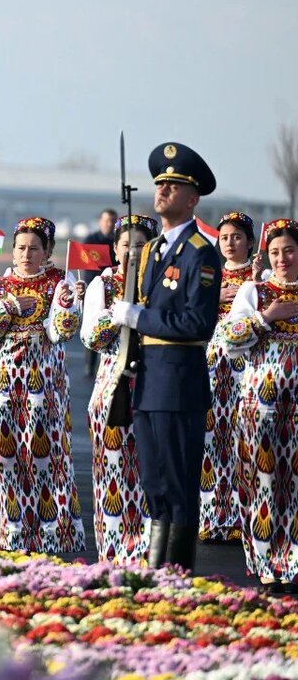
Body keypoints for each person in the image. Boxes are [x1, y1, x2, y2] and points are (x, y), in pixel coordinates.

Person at [110, 142, 222, 572]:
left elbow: (197, 323)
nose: (162, 191)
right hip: (147, 381)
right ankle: (157, 575)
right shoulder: (153, 251)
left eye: (173, 185)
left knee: (177, 484)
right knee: (154, 483)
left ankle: (178, 575)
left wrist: (140, 317)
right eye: (160, 184)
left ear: (192, 199)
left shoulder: (200, 253)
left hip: (178, 384)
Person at [0, 216, 86, 553]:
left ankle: (52, 532)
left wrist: (66, 305)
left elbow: (61, 333)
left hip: (45, 383)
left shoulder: (59, 282)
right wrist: (7, 309)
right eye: (21, 248)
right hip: (5, 383)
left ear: (48, 250)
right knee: (6, 458)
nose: (26, 254)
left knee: (46, 457)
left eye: (34, 248)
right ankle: (9, 532)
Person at [221, 219, 298, 593]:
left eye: (289, 250)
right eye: (275, 252)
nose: (282, 259)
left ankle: (294, 563)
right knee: (264, 483)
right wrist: (266, 318)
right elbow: (229, 338)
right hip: (261, 406)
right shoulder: (255, 291)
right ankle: (269, 566)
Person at [81, 214, 158, 563]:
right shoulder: (103, 286)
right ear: (114, 249)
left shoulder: (163, 284)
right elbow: (92, 337)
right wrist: (120, 312)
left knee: (149, 473)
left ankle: (147, 554)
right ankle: (112, 554)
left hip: (156, 387)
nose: (132, 252)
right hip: (113, 387)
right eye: (126, 245)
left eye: (141, 246)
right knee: (112, 472)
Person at [200, 211, 259, 543]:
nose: (230, 242)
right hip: (211, 367)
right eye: (224, 237)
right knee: (211, 440)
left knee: (242, 440)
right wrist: (211, 299)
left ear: (250, 242)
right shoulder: (209, 276)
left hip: (246, 367)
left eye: (237, 237)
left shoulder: (258, 278)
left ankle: (243, 516)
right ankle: (212, 516)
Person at [82, 209, 119, 376]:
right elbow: (89, 268)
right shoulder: (91, 240)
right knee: (93, 327)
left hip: (113, 289)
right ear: (100, 221)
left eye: (112, 221)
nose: (109, 224)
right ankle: (89, 365)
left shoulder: (117, 241)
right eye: (106, 220)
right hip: (95, 287)